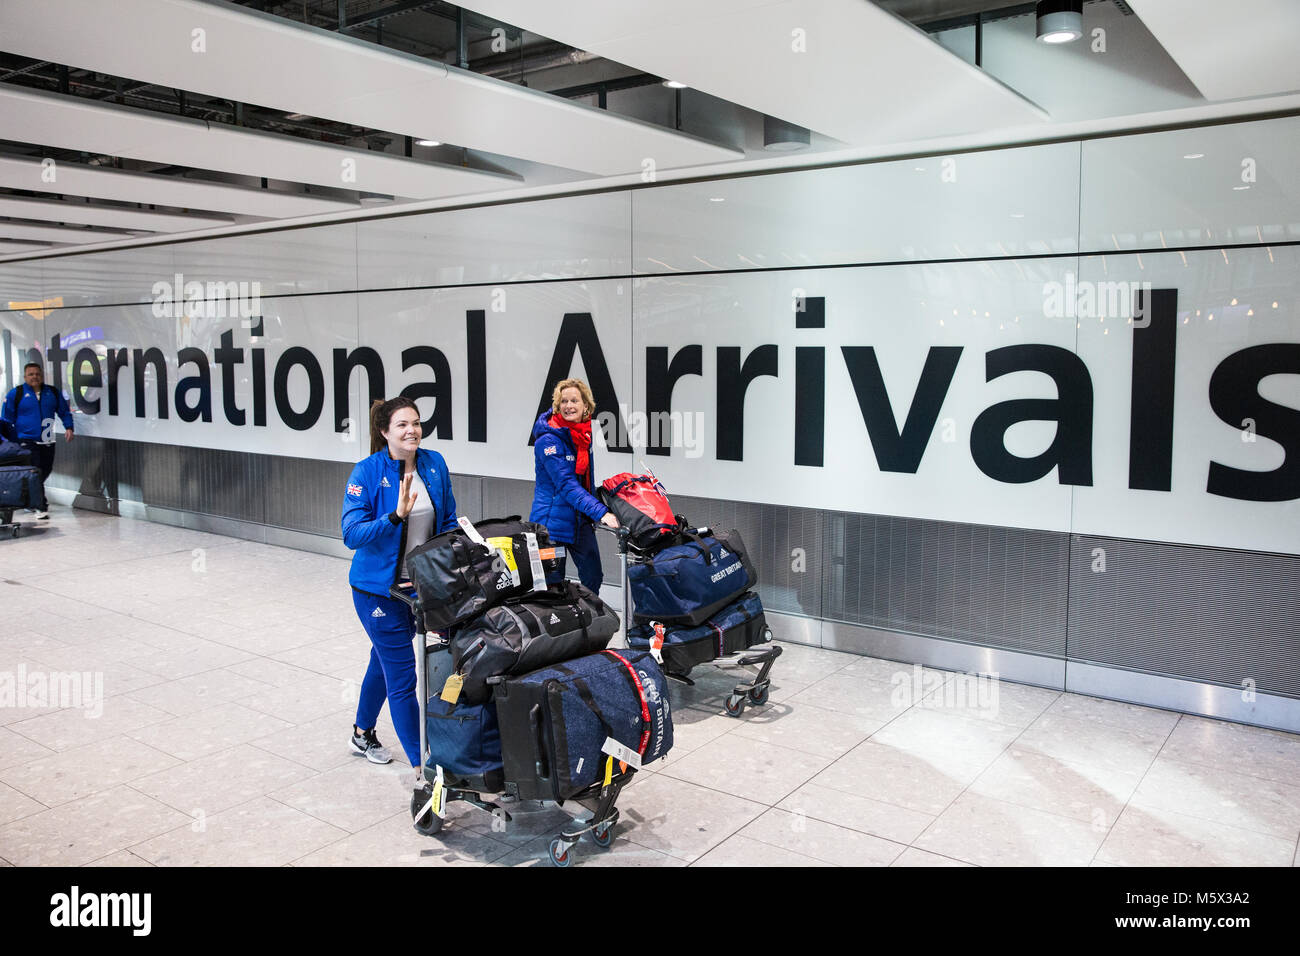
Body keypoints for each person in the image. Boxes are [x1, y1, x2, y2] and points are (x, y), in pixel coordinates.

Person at [341, 397, 457, 775]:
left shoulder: (434, 464)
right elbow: (351, 534)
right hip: (378, 592)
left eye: (417, 423)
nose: (412, 431)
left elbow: (448, 518)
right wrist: (395, 516)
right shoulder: (367, 472)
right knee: (404, 679)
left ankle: (362, 733)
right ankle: (425, 768)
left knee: (384, 660)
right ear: (384, 431)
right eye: (403, 424)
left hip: (421, 588)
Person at [529, 378, 618, 594]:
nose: (569, 406)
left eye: (574, 401)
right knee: (553, 586)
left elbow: (585, 483)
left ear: (585, 406)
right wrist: (601, 512)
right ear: (557, 406)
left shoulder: (582, 437)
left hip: (579, 521)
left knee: (593, 576)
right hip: (551, 526)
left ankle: (586, 624)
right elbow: (567, 486)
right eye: (564, 401)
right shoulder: (548, 440)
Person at [1, 362, 73, 519]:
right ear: (25, 376)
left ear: (42, 375)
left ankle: (29, 499)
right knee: (35, 470)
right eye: (31, 374)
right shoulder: (16, 394)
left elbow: (64, 411)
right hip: (26, 440)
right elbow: (5, 420)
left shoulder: (52, 393)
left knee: (45, 470)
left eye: (37, 374)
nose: (35, 377)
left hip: (48, 440)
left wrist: (69, 427)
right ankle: (40, 506)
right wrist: (8, 440)